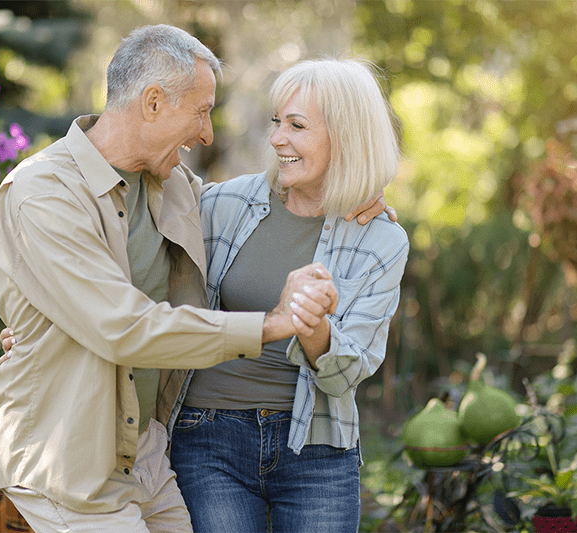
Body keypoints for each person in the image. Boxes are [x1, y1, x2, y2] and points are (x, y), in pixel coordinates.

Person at [0, 24, 384, 533]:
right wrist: (270, 324)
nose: (207, 134)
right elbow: (122, 327)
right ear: (153, 103)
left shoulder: (173, 186)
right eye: (201, 112)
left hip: (142, 449)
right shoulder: (43, 193)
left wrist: (353, 194)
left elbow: (257, 211)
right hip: (69, 457)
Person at [164, 58, 409, 533]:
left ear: (347, 136)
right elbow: (137, 243)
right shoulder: (221, 204)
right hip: (209, 435)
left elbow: (347, 374)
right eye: (278, 122)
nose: (277, 138)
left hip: (318, 447)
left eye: (297, 126)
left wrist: (314, 328)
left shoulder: (380, 240)